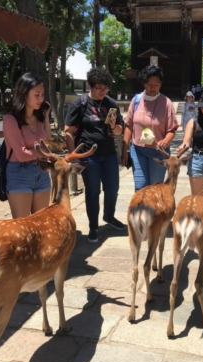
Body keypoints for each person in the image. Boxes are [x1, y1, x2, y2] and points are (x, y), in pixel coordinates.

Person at [64, 67, 125, 243]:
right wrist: (73, 155)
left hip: (109, 154)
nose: (103, 91)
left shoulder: (111, 104)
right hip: (88, 155)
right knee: (92, 192)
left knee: (112, 189)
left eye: (105, 88)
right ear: (90, 86)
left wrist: (114, 126)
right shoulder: (80, 103)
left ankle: (109, 216)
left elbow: (119, 131)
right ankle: (93, 226)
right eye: (99, 87)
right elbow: (68, 130)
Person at [121, 65, 179, 192]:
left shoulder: (166, 103)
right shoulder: (136, 100)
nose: (152, 88)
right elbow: (129, 126)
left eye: (156, 84)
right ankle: (141, 212)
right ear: (143, 83)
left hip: (158, 152)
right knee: (140, 187)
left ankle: (154, 212)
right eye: (149, 84)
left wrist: (166, 141)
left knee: (155, 188)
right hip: (138, 150)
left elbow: (172, 129)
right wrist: (124, 150)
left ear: (161, 84)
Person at [3, 73, 52, 219]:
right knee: (22, 228)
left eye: (42, 94)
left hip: (42, 172)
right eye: (37, 94)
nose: (41, 99)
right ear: (24, 94)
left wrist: (47, 115)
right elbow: (22, 154)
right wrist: (44, 153)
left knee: (41, 224)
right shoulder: (10, 119)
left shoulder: (39, 117)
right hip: (19, 173)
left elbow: (47, 139)